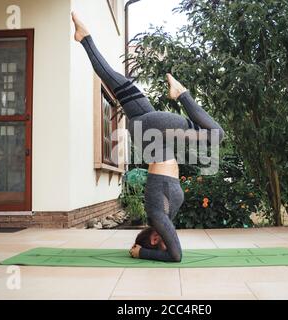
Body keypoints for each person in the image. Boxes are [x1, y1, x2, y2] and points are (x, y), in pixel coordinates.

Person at [72, 12, 224, 262]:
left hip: (149, 130)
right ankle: (85, 38)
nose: (169, 240)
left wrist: (142, 252)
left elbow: (176, 256)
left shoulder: (156, 216)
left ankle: (181, 94)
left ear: (154, 239)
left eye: (160, 244)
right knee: (114, 80)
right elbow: (170, 247)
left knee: (216, 135)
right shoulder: (162, 216)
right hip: (152, 135)